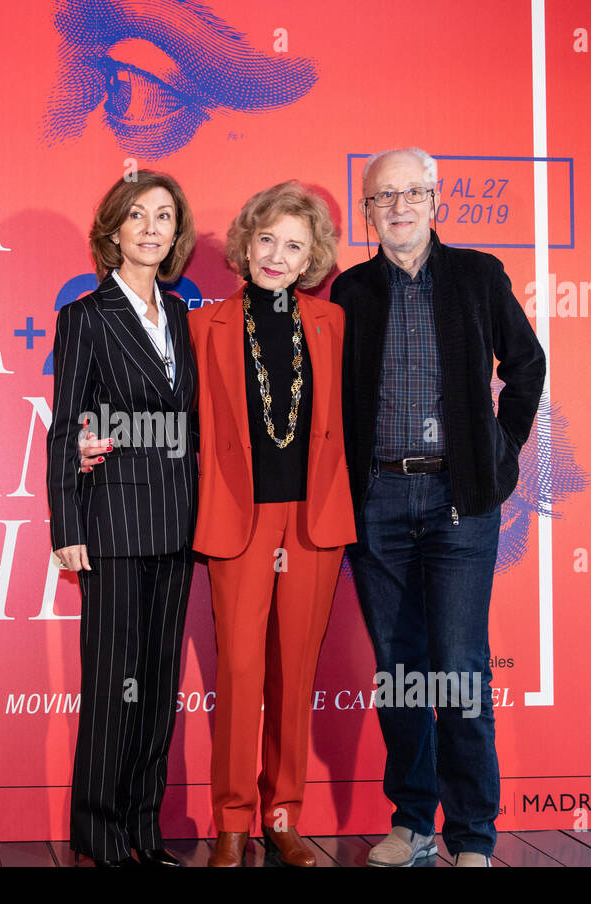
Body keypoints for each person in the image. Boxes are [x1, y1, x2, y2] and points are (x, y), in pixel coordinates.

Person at [330, 147, 546, 867]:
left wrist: (500, 451)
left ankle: (473, 837)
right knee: (399, 667)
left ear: (436, 199)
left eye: (412, 193)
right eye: (383, 197)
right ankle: (413, 822)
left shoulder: (478, 276)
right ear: (367, 211)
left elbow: (527, 365)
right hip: (378, 502)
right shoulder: (350, 291)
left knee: (458, 668)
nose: (398, 207)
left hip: (460, 501)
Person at [188, 181, 354, 866]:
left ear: (313, 255)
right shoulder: (205, 325)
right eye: (267, 240)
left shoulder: (334, 324)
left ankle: (282, 813)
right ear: (245, 244)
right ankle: (231, 820)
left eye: (294, 245)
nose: (277, 256)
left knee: (295, 676)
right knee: (243, 670)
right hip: (239, 519)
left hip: (314, 522)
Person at [46, 170, 198, 867]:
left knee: (159, 685)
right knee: (114, 683)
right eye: (136, 215)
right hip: (111, 522)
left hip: (178, 520)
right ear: (112, 231)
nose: (149, 227)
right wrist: (67, 527)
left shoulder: (184, 316)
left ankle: (144, 827)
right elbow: (63, 430)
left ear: (175, 234)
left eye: (162, 217)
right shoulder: (84, 316)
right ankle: (100, 833)